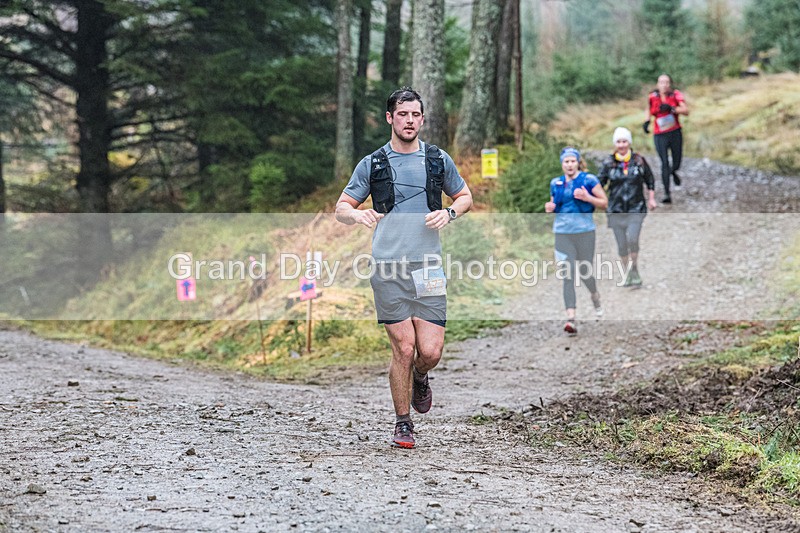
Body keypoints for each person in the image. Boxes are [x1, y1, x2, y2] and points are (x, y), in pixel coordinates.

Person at [335, 87, 473, 449]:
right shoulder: (373, 163)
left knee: (430, 352)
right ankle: (402, 423)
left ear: (422, 119)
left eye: (415, 115)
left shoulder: (437, 160)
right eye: (402, 114)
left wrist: (450, 212)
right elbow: (341, 207)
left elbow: (465, 196)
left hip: (427, 266)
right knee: (404, 348)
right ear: (390, 119)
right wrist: (357, 213)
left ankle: (421, 378)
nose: (409, 120)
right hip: (387, 268)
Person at [544, 147, 608, 335]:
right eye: (566, 161)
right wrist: (550, 207)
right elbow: (554, 205)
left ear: (578, 162)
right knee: (567, 273)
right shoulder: (556, 183)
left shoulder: (589, 180)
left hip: (585, 231)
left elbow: (604, 203)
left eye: (573, 161)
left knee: (585, 270)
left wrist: (587, 197)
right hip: (562, 232)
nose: (569, 165)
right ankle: (571, 318)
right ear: (562, 164)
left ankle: (595, 296)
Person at [598, 127, 657, 288]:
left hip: (635, 207)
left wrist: (651, 199)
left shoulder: (639, 161)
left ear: (629, 142)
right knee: (622, 245)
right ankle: (627, 272)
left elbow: (650, 180)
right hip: (616, 209)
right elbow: (599, 184)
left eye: (624, 141)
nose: (622, 145)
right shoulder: (608, 163)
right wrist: (597, 201)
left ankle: (634, 268)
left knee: (633, 239)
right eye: (619, 141)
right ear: (615, 143)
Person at [642, 73, 689, 204]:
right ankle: (667, 193)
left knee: (676, 161)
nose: (664, 85)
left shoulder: (675, 95)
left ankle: (674, 172)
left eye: (667, 82)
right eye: (662, 82)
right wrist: (646, 122)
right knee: (664, 163)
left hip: (675, 132)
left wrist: (672, 108)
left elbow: (686, 110)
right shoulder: (652, 96)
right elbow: (648, 109)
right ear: (658, 84)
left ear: (670, 84)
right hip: (660, 134)